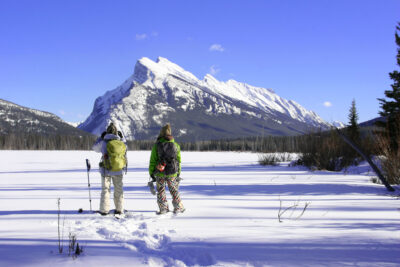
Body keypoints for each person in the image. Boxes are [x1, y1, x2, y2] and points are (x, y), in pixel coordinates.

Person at [149, 123, 185, 214]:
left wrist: (151, 173)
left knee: (161, 190)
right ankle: (178, 207)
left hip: (160, 171)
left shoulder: (156, 145)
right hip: (172, 172)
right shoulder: (176, 145)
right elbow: (178, 161)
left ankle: (163, 208)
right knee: (174, 190)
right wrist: (178, 172)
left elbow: (152, 161)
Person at [92, 122, 127, 215]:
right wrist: (122, 137)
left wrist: (101, 137)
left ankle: (104, 210)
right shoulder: (120, 142)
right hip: (118, 169)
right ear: (116, 132)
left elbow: (95, 148)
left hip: (106, 170)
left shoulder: (103, 142)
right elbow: (125, 149)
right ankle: (119, 209)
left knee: (105, 189)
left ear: (107, 132)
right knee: (119, 189)